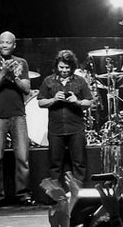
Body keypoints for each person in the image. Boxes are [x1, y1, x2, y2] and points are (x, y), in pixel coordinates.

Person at [0, 31, 33, 208]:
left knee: (22, 157)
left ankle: (24, 195)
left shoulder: (22, 62)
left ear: (14, 45)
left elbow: (27, 89)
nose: (4, 45)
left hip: (18, 115)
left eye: (8, 42)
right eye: (1, 42)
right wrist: (3, 73)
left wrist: (14, 76)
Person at [38, 50, 93, 186]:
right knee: (55, 164)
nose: (64, 70)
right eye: (61, 67)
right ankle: (56, 195)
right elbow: (40, 102)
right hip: (56, 129)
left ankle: (79, 194)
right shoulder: (48, 81)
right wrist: (54, 99)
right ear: (57, 66)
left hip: (76, 128)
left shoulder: (80, 81)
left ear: (72, 67)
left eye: (67, 68)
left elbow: (89, 102)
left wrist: (77, 101)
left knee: (79, 162)